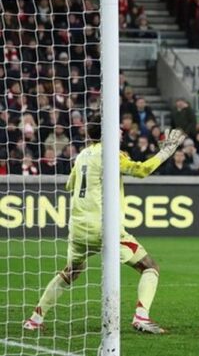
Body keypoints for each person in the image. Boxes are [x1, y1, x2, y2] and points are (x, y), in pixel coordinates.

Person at [23, 118, 187, 334]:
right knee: (150, 267)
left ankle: (35, 319)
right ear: (107, 132)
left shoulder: (83, 155)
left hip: (78, 228)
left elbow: (69, 184)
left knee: (72, 271)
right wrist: (165, 153)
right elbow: (141, 170)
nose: (120, 131)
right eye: (117, 128)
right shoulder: (109, 153)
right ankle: (141, 317)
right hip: (104, 227)